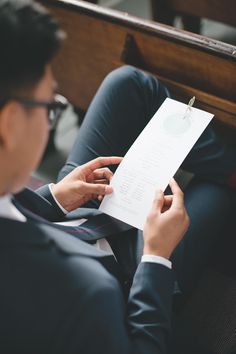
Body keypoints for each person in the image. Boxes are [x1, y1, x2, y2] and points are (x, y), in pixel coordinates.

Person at [0, 1, 235, 354]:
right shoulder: (85, 294)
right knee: (217, 192)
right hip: (130, 276)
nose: (53, 113)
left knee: (127, 82)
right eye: (52, 107)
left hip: (70, 217)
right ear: (11, 123)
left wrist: (55, 197)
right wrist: (156, 256)